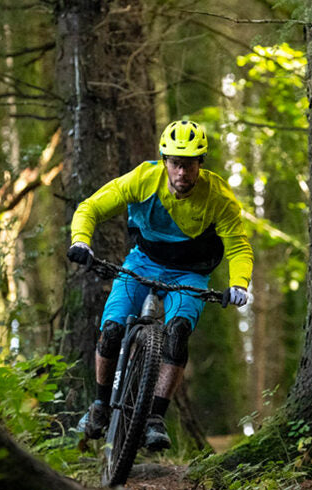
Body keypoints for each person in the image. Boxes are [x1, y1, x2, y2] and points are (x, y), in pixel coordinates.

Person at [66, 119, 253, 451]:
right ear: (165, 161)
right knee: (111, 329)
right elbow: (91, 207)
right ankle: (99, 404)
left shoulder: (218, 196)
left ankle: (154, 417)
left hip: (190, 274)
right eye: (176, 163)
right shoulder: (143, 179)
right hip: (142, 263)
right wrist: (81, 242)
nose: (182, 172)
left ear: (201, 163)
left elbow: (238, 247)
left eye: (190, 164)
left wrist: (239, 283)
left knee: (178, 331)